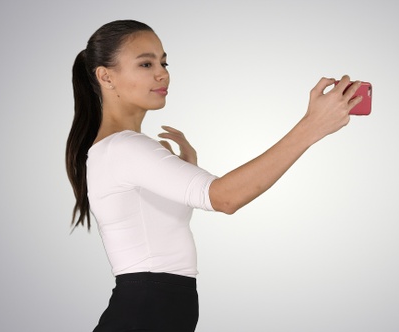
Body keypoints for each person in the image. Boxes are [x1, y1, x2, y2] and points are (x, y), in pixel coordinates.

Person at [66, 19, 364, 332]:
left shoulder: (120, 149)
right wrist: (311, 127)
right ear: (106, 76)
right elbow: (224, 198)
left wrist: (183, 172)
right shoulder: (125, 147)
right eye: (145, 63)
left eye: (164, 62)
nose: (162, 73)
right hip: (145, 310)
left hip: (153, 309)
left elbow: (155, 231)